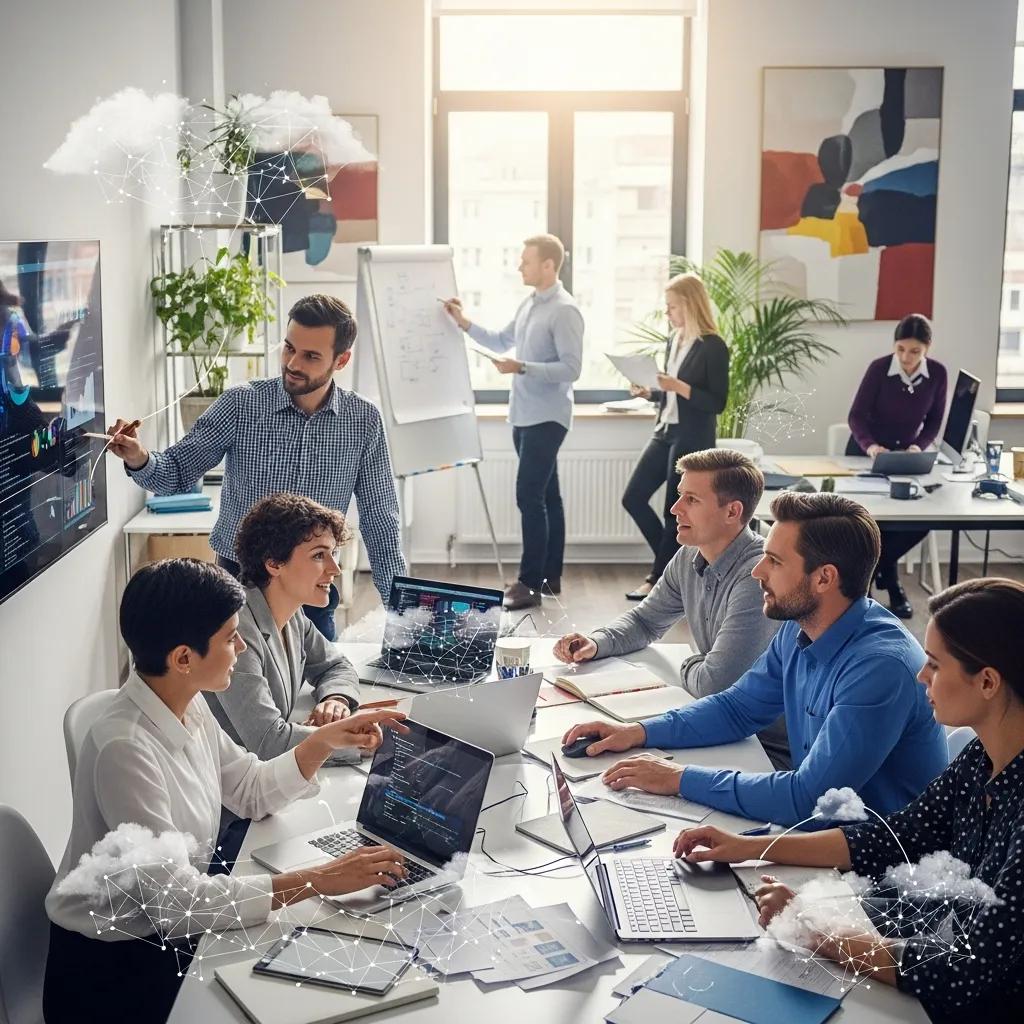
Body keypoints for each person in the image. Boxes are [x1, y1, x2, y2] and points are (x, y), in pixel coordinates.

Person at [44, 558, 409, 1024]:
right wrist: (318, 879)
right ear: (183, 659)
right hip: (115, 969)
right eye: (230, 637)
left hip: (168, 932)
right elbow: (176, 905)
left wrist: (324, 741)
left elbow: (250, 789)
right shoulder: (125, 749)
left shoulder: (185, 702)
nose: (241, 646)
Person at [674, 578, 1024, 1024]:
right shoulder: (980, 758)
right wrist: (748, 848)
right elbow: (893, 837)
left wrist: (813, 928)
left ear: (988, 682)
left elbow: (963, 971)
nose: (922, 675)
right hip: (922, 940)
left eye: (935, 665)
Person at [561, 491, 948, 826]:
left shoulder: (880, 668)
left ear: (824, 578)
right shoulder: (799, 627)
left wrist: (678, 779)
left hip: (877, 868)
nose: (757, 571)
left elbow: (807, 800)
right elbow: (738, 709)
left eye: (775, 562)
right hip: (822, 834)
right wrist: (637, 732)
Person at [104, 294, 406, 640]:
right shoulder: (241, 403)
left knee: (320, 673)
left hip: (311, 588)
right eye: (289, 348)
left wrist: (402, 609)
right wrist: (138, 457)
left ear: (341, 360)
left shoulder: (363, 421)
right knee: (234, 673)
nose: (293, 363)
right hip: (238, 583)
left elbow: (380, 517)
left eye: (310, 356)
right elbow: (176, 470)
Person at [553, 448, 789, 768]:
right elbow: (646, 621)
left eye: (692, 500)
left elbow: (715, 685)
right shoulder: (689, 555)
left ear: (732, 512)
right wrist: (597, 642)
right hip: (717, 724)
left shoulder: (756, 576)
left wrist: (684, 663)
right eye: (680, 496)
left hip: (763, 748)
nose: (675, 509)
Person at [443, 234, 583, 611]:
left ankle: (529, 583)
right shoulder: (529, 304)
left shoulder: (565, 310)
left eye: (526, 261)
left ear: (548, 265)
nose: (520, 266)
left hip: (548, 417)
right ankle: (549, 576)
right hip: (523, 415)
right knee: (547, 496)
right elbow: (502, 339)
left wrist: (522, 367)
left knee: (528, 495)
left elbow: (572, 369)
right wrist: (463, 322)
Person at [206, 493, 361, 759]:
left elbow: (335, 665)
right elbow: (270, 743)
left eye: (333, 553)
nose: (335, 568)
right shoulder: (236, 632)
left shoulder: (293, 615)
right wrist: (357, 741)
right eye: (319, 555)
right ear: (274, 563)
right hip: (228, 779)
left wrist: (336, 699)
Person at [622, 273, 729, 600]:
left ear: (690, 305)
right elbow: (669, 393)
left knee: (675, 509)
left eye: (672, 306)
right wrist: (650, 393)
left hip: (692, 436)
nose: (667, 313)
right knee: (633, 497)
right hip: (665, 430)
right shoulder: (674, 340)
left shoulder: (712, 345)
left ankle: (658, 579)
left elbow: (717, 402)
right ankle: (680, 571)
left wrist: (677, 386)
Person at [847, 313, 948, 619]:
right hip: (867, 454)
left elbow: (934, 421)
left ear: (927, 348)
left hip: (906, 458)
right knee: (870, 517)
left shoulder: (938, 374)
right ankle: (890, 584)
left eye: (915, 351)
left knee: (922, 518)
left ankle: (872, 573)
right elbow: (856, 416)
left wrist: (918, 447)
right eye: (901, 349)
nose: (906, 357)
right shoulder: (879, 369)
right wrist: (871, 446)